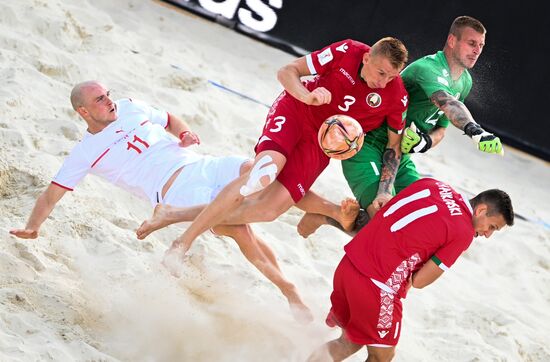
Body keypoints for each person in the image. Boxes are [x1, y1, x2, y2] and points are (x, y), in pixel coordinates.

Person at [9, 80, 313, 322]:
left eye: (107, 94)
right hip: (177, 189)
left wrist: (185, 133)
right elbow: (51, 194)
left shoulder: (128, 107)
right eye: (99, 99)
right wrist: (32, 226)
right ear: (83, 112)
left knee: (260, 171)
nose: (109, 101)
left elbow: (169, 119)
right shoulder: (84, 153)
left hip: (202, 163)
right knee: (242, 230)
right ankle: (289, 290)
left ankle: (174, 216)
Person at [140, 37, 410, 258]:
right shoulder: (348, 51)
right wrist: (308, 96)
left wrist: (385, 190)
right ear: (366, 58)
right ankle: (182, 243)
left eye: (392, 76)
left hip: (322, 142)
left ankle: (172, 214)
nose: (384, 82)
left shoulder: (396, 95)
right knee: (263, 174)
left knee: (270, 210)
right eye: (381, 72)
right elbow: (287, 71)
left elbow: (393, 148)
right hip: (297, 110)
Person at [298, 16, 504, 238]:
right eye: (471, 43)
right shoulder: (428, 68)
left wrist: (425, 142)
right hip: (368, 145)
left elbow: (442, 129)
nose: (477, 51)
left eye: (481, 46)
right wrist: (475, 131)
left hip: (400, 153)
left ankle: (331, 218)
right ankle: (330, 215)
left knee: (419, 220)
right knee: (385, 218)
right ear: (452, 41)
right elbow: (447, 103)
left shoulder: (465, 81)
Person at [307, 177, 514, 361]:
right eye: (492, 227)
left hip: (349, 264)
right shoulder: (464, 232)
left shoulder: (434, 184)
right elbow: (421, 281)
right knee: (382, 356)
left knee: (349, 342)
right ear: (481, 210)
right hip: (378, 287)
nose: (487, 234)